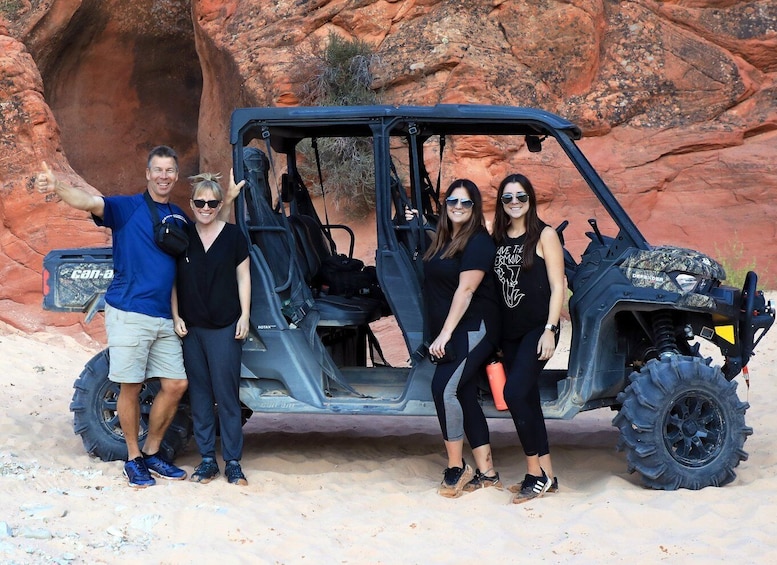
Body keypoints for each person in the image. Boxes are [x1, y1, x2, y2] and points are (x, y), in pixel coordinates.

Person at [35, 147, 238, 488]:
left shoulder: (177, 216)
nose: (163, 175)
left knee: (176, 384)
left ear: (175, 176)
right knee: (130, 386)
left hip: (164, 317)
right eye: (157, 169)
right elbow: (88, 202)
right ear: (147, 174)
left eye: (169, 170)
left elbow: (209, 226)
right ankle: (133, 458)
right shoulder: (126, 208)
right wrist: (57, 187)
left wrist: (227, 200)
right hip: (130, 312)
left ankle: (153, 452)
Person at [422, 179, 502, 498]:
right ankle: (488, 473)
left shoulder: (478, 242)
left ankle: (458, 467)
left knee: (442, 388)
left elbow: (466, 290)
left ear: (474, 208)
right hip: (456, 327)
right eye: (452, 201)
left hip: (475, 326)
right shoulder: (444, 238)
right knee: (464, 393)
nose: (458, 207)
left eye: (465, 203)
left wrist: (444, 333)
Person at [171, 173, 251, 486]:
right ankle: (207, 460)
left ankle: (232, 461)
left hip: (225, 326)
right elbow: (173, 279)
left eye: (213, 203)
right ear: (191, 204)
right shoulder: (183, 236)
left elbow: (244, 277)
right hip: (192, 328)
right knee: (201, 395)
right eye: (200, 202)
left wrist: (245, 315)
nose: (206, 207)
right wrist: (175, 315)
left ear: (219, 205)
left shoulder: (233, 236)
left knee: (227, 395)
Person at [491, 173, 565, 504]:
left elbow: (558, 285)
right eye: (508, 198)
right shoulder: (499, 236)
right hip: (510, 333)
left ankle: (534, 473)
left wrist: (550, 329)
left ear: (530, 198)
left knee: (514, 393)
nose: (515, 203)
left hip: (539, 329)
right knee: (529, 399)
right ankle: (549, 475)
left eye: (520, 196)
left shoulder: (544, 234)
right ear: (501, 203)